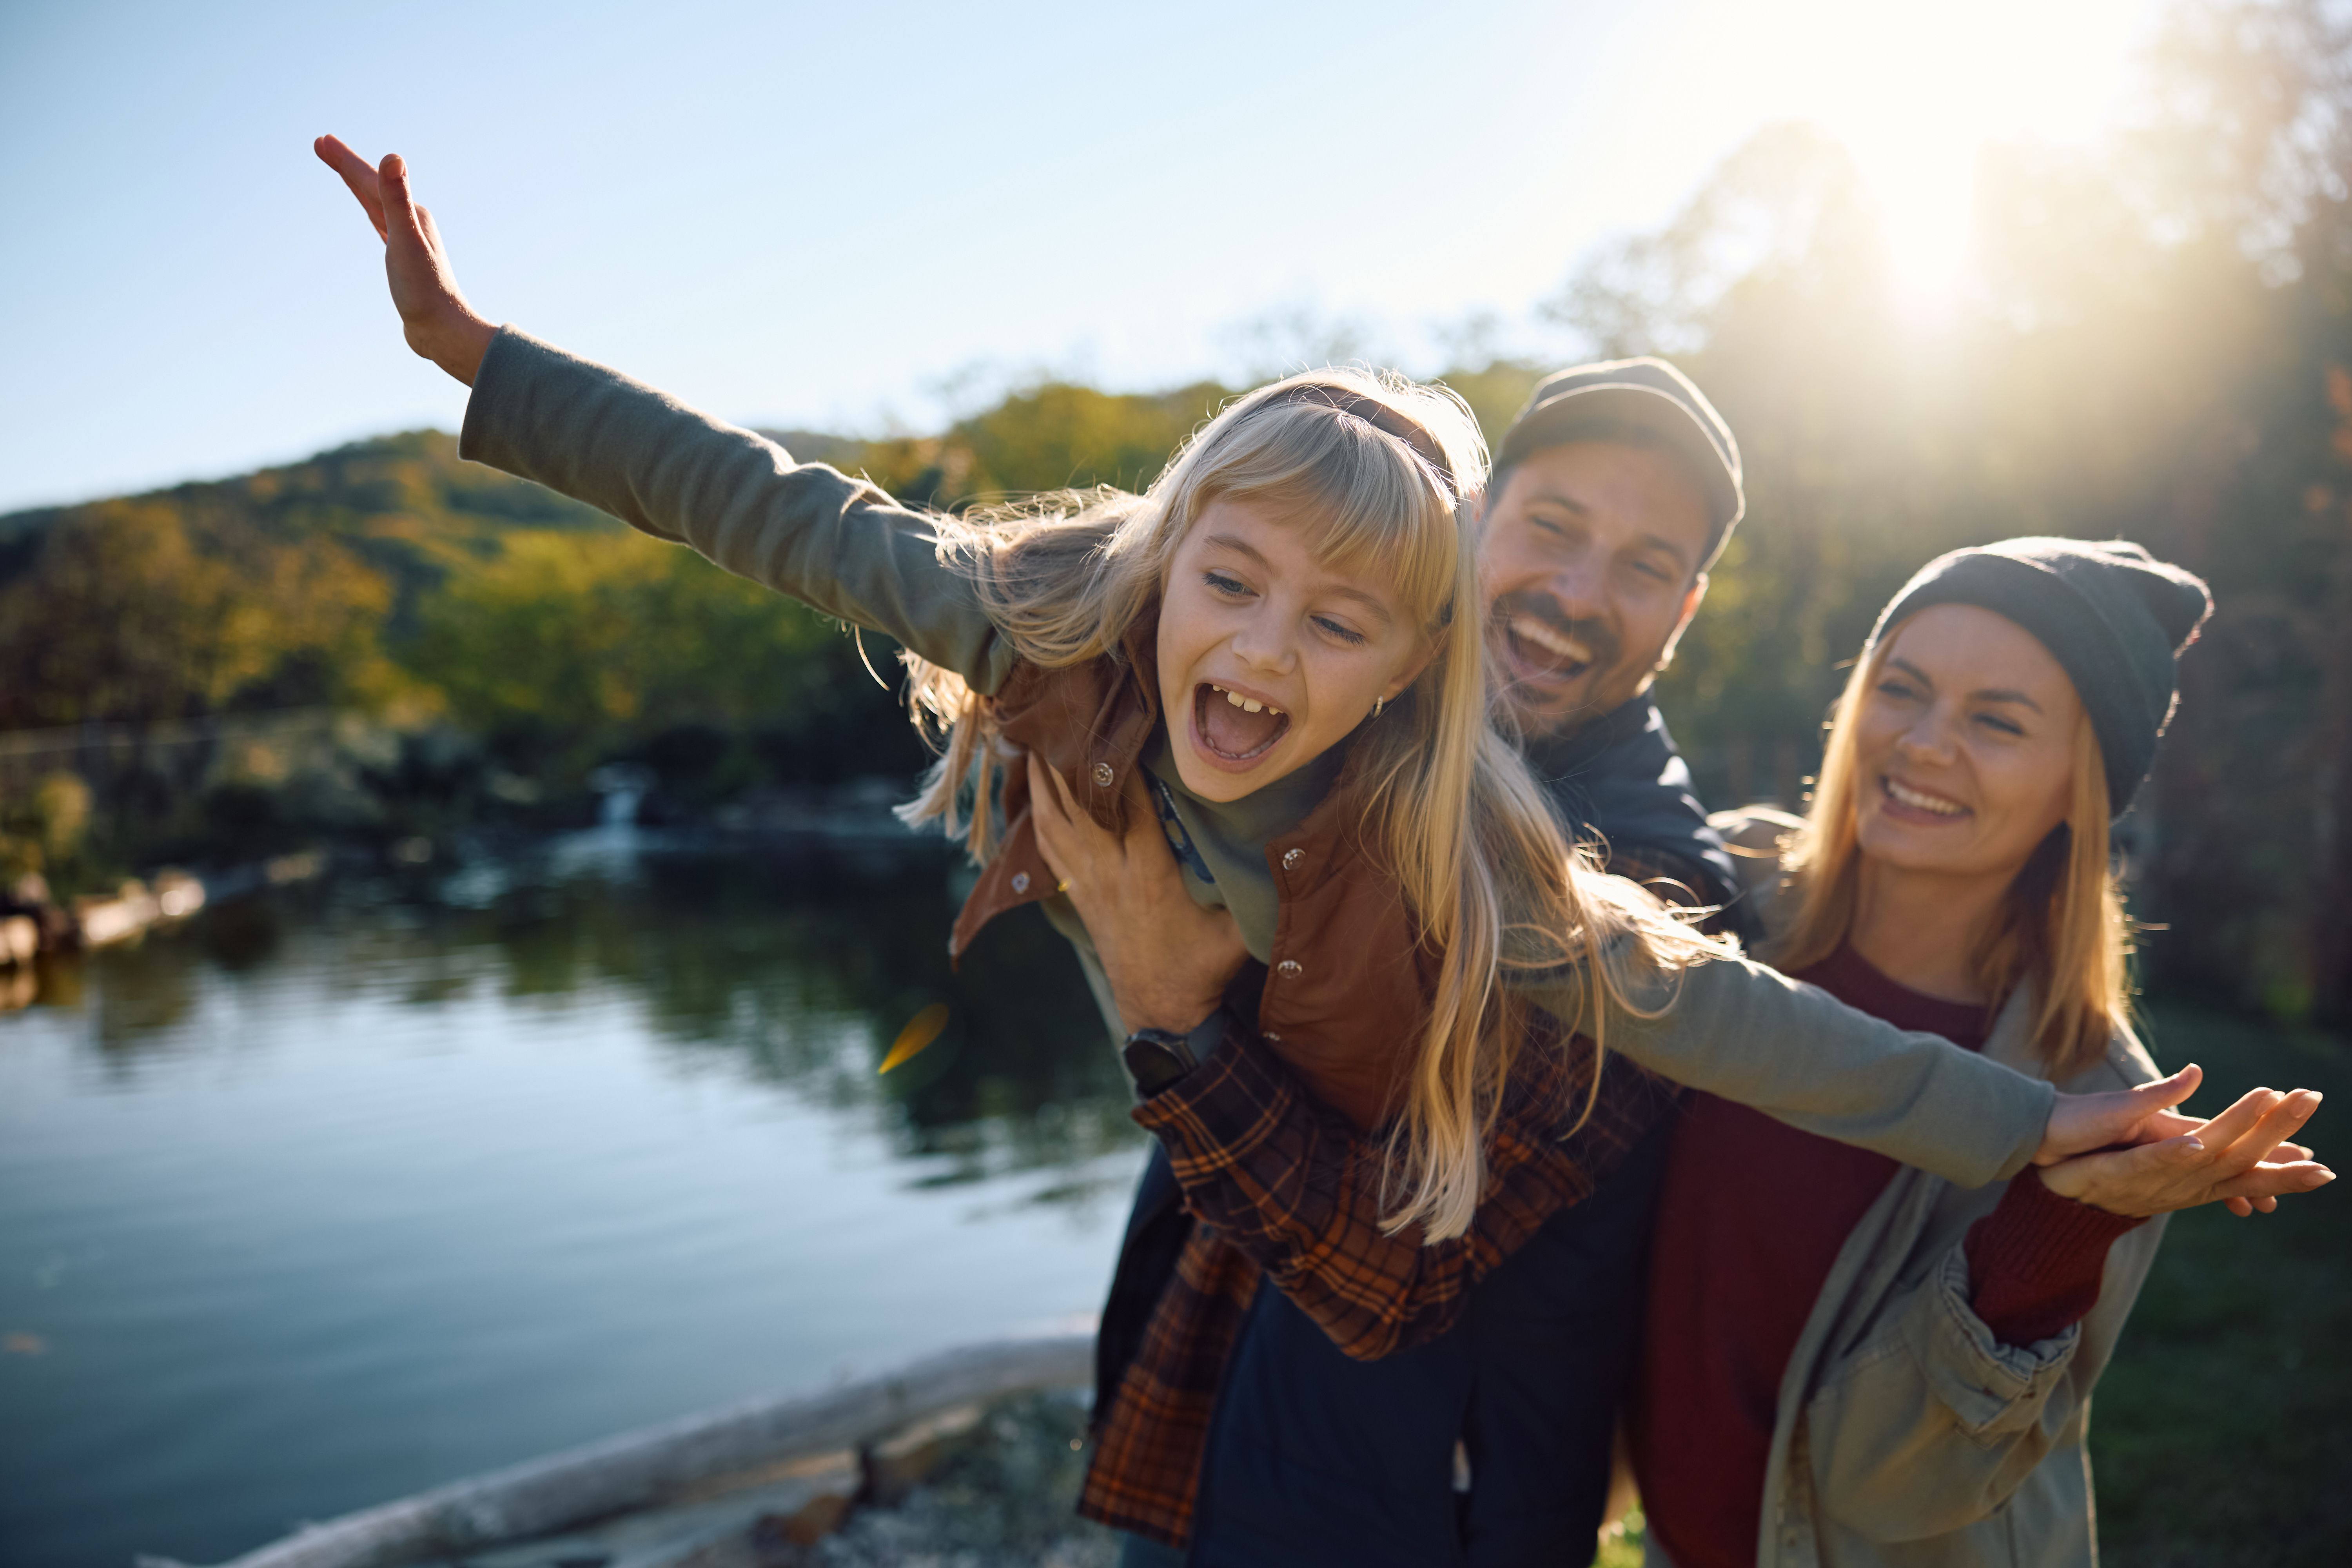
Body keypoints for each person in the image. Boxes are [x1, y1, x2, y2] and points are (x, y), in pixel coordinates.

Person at [316, 138, 2245, 1568]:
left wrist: (2025, 1128)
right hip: (1208, 1404)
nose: (1260, 647)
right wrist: (480, 355)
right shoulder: (1056, 622)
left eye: (1649, 565)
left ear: (1422, 657)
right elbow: (776, 509)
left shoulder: (1493, 857)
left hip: (1436, 1482)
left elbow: (1725, 1021)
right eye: (1229, 582)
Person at [1629, 539, 2335, 1568]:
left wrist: (2057, 1225)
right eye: (1900, 690)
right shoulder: (1720, 896)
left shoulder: (2100, 1096)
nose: (1921, 744)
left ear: (2077, 789)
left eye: (1996, 723)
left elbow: (1905, 1487)